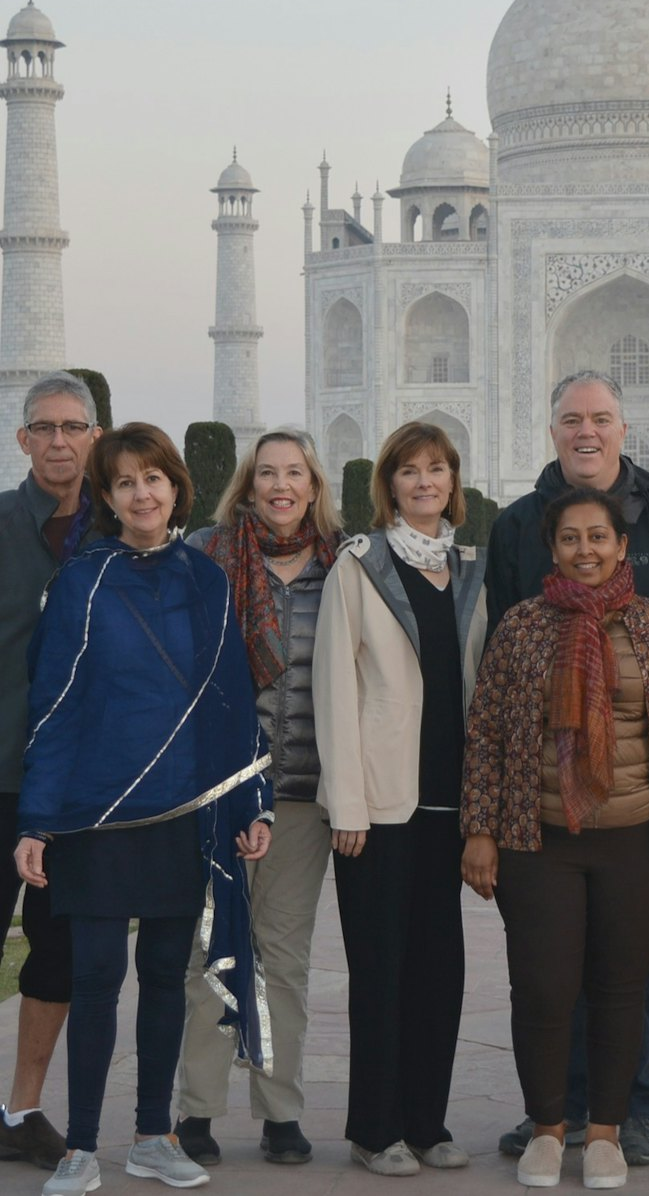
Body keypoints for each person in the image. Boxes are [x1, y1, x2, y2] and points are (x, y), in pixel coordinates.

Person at [14, 422, 273, 1196]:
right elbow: (55, 706)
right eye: (125, 482)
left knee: (165, 975)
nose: (142, 494)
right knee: (95, 979)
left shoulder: (204, 580)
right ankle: (81, 1148)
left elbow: (230, 701)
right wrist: (36, 820)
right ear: (108, 496)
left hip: (181, 811)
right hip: (97, 816)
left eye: (153, 478)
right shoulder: (81, 581)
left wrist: (248, 803)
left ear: (174, 487)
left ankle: (153, 1136)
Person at [484, 370, 649, 1165]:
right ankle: (555, 1109)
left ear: (623, 428)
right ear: (553, 432)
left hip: (635, 803)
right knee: (549, 969)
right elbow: (502, 682)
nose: (587, 431)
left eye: (602, 418)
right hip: (544, 807)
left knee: (629, 968)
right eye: (572, 418)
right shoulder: (516, 527)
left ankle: (624, 1110)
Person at [314, 421, 486, 1178]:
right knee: (380, 968)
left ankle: (426, 1120)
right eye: (409, 471)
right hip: (380, 805)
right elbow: (335, 686)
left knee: (439, 970)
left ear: (454, 482)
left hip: (448, 801)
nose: (424, 482)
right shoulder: (361, 564)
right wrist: (346, 801)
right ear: (389, 485)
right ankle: (373, 1127)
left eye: (437, 469)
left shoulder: (471, 568)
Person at [175, 429, 343, 1167]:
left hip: (302, 792)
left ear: (313, 487)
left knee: (282, 956)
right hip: (219, 791)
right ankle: (198, 1110)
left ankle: (280, 1109)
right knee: (212, 950)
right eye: (267, 473)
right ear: (248, 485)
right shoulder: (209, 560)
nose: (281, 486)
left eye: (294, 474)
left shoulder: (343, 567)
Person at [0, 373, 101, 1172]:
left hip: (76, 789)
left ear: (94, 438)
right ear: (23, 439)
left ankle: (22, 1110)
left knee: (56, 952)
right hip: (1, 773)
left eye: (74, 427)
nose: (60, 440)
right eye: (46, 427)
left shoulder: (117, 536)